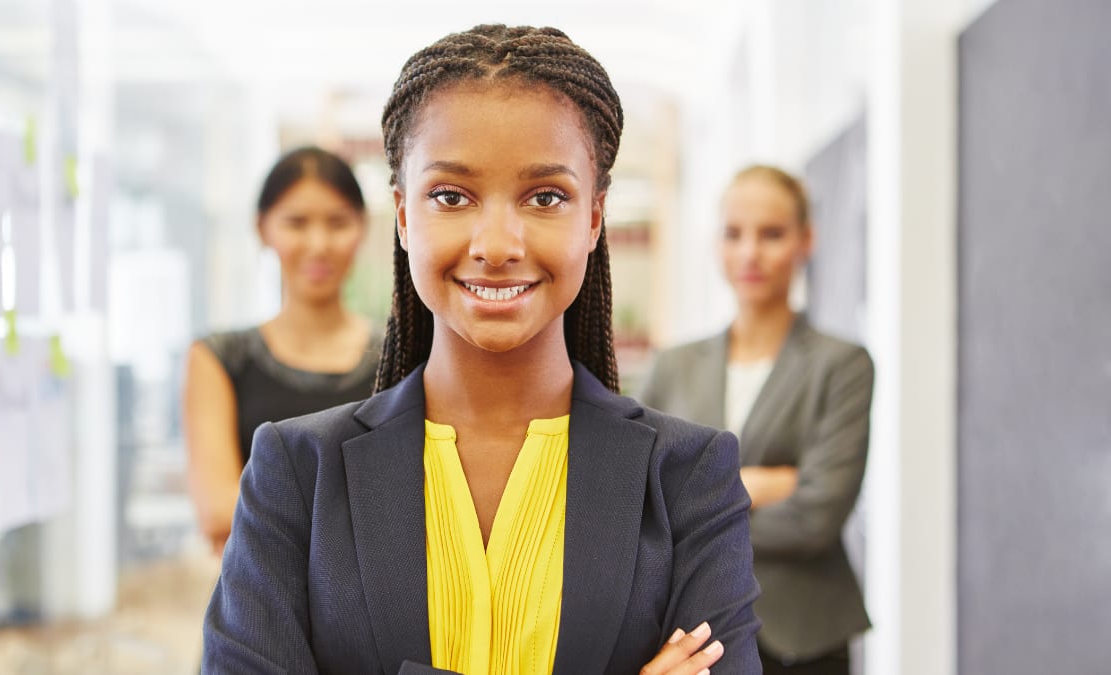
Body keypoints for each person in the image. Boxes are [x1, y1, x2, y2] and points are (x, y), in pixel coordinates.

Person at [203, 25, 761, 674]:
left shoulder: (688, 477)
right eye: (451, 196)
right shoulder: (297, 472)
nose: (497, 243)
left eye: (545, 196)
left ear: (594, 217)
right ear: (405, 215)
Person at [637, 165, 874, 674]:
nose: (750, 253)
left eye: (772, 234)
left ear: (806, 240)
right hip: (690, 641)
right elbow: (638, 501)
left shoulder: (842, 365)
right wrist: (760, 485)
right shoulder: (672, 366)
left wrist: (699, 510)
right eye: (734, 234)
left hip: (803, 638)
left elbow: (817, 516)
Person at [183, 147, 381, 555]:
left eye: (337, 222)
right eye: (296, 223)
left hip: (377, 616)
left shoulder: (401, 355)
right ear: (263, 229)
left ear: (361, 228)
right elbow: (218, 511)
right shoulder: (220, 358)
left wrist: (265, 512)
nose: (318, 244)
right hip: (259, 608)